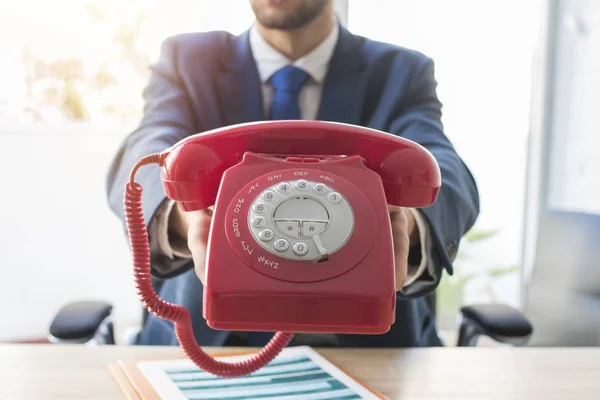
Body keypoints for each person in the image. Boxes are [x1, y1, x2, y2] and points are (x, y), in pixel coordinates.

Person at [107, 0, 479, 348]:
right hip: (207, 346)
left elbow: (443, 164)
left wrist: (406, 223)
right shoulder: (187, 59)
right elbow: (147, 146)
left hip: (373, 350)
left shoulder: (400, 70)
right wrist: (188, 217)